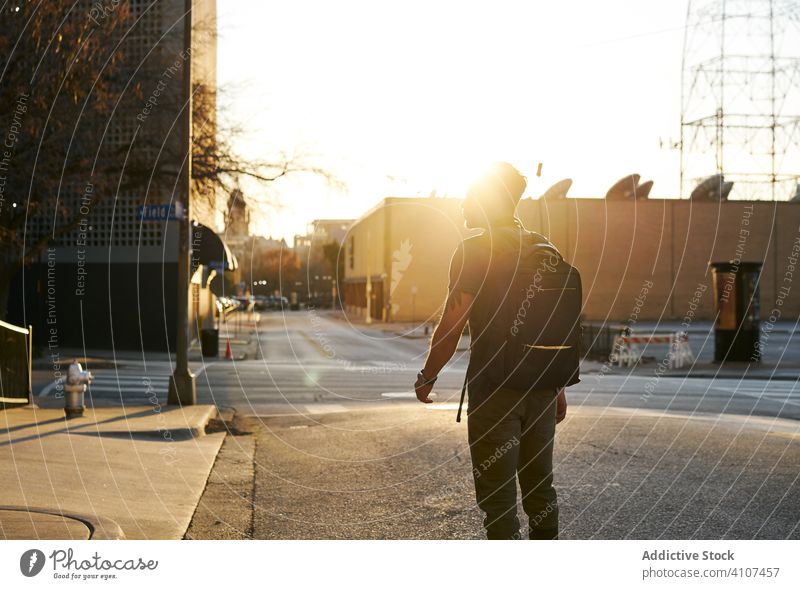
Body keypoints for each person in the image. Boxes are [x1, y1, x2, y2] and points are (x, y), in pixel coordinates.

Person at [414, 162, 568, 540]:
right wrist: (558, 386)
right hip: (543, 388)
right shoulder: (545, 249)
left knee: (498, 501)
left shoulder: (474, 251)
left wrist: (427, 375)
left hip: (497, 388)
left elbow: (452, 326)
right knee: (540, 488)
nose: (463, 203)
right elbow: (552, 325)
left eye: (470, 196)